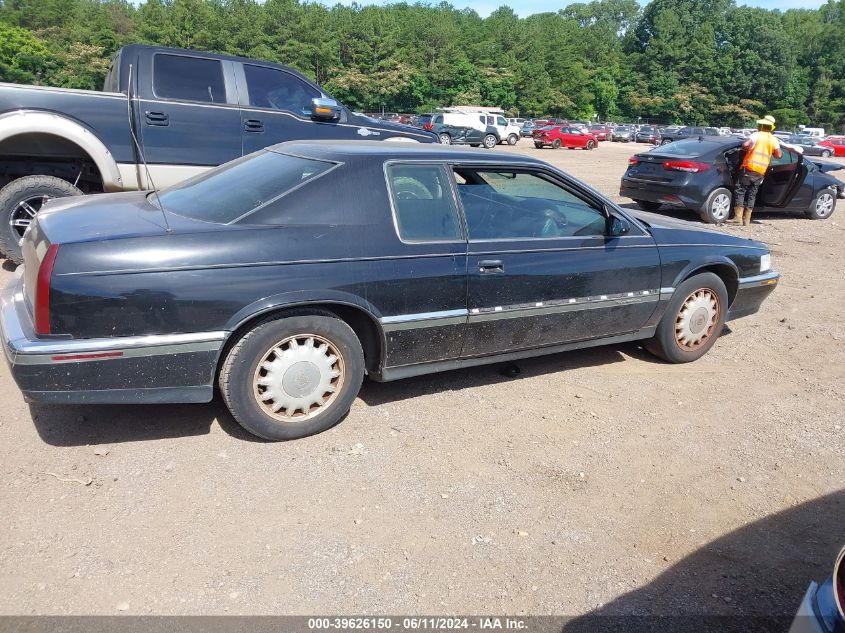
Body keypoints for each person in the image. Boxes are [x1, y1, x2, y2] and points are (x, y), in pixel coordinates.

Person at [729, 114, 782, 225]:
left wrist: (745, 148)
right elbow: (779, 155)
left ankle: (738, 218)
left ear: (761, 125)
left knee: (740, 190)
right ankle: (747, 220)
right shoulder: (773, 140)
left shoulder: (756, 135)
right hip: (761, 171)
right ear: (771, 127)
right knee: (752, 193)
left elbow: (745, 144)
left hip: (749, 168)